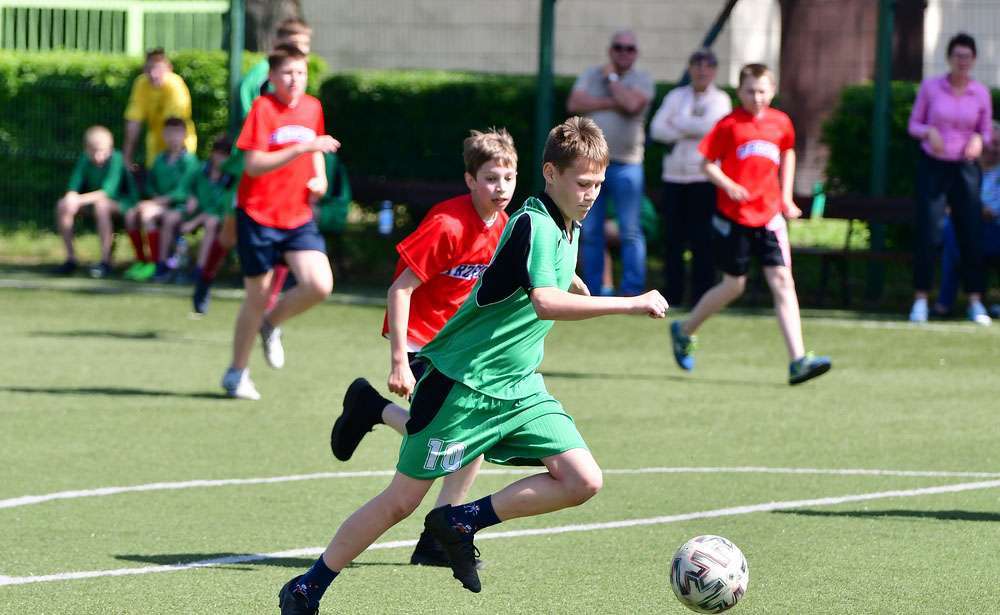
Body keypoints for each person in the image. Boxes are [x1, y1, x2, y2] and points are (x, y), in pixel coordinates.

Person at [276, 117, 669, 614]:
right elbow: (544, 303)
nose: (591, 195)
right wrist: (630, 302)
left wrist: (570, 278)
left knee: (582, 479)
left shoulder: (566, 224)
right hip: (461, 384)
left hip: (519, 388)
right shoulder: (532, 222)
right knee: (401, 501)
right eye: (583, 184)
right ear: (551, 173)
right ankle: (307, 587)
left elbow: (538, 277)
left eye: (598, 185)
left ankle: (462, 520)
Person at [328, 128, 517, 568]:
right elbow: (399, 289)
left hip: (459, 349)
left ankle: (371, 409)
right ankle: (439, 535)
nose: (500, 187)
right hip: (422, 343)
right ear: (470, 180)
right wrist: (399, 361)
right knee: (453, 435)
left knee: (464, 434)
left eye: (508, 178)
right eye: (491, 178)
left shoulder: (504, 226)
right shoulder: (448, 225)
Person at [668, 63, 831, 386]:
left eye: (762, 91)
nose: (756, 97)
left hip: (769, 217)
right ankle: (684, 330)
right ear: (739, 91)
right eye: (750, 91)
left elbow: (788, 153)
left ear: (772, 91)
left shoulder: (780, 122)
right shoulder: (729, 124)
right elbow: (707, 164)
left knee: (782, 281)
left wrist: (785, 197)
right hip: (735, 217)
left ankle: (798, 361)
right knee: (734, 286)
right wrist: (728, 185)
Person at [220, 44, 339, 401]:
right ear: (271, 77)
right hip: (258, 216)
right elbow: (254, 165)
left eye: (301, 73)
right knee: (256, 297)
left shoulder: (313, 107)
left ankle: (271, 324)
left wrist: (320, 179)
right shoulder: (263, 109)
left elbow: (316, 150)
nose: (295, 79)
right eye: (287, 73)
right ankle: (236, 374)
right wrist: (300, 149)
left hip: (297, 216)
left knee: (319, 284)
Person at [202, 19, 315, 315]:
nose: (302, 50)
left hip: (288, 175)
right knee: (229, 232)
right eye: (296, 44)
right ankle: (205, 278)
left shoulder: (301, 79)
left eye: (305, 45)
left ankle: (270, 306)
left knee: (287, 236)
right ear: (279, 45)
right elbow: (253, 119)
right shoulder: (261, 80)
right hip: (253, 170)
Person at [907, 32, 993, 325]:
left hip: (965, 168)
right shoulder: (931, 88)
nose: (962, 61)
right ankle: (920, 299)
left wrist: (979, 139)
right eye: (957, 55)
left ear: (974, 59)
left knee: (970, 232)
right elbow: (914, 124)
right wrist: (928, 132)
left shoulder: (980, 93)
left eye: (967, 56)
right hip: (934, 166)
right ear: (949, 58)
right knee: (929, 232)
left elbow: (986, 130)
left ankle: (975, 301)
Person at [567, 29, 654, 296]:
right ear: (610, 50)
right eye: (618, 47)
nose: (623, 52)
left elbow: (632, 105)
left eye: (629, 48)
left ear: (636, 53)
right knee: (590, 230)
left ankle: (632, 291)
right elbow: (574, 103)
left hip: (628, 165)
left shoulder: (642, 79)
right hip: (591, 164)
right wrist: (613, 102)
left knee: (630, 230)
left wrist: (612, 80)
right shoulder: (591, 74)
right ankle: (592, 291)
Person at [649, 48, 732, 307]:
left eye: (708, 66)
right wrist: (692, 129)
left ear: (714, 71)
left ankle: (701, 297)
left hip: (704, 180)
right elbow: (657, 129)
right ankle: (672, 296)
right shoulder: (676, 96)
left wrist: (679, 123)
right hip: (674, 179)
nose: (702, 71)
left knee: (702, 241)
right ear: (690, 68)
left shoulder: (721, 99)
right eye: (697, 65)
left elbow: (713, 127)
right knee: (673, 239)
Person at [935, 122, 1000, 320]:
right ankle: (974, 302)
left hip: (995, 232)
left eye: (998, 144)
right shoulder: (965, 170)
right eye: (989, 144)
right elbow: (947, 205)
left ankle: (946, 304)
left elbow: (991, 213)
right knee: (954, 233)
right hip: (968, 229)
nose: (992, 149)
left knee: (955, 238)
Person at [122, 117, 199, 282]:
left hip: (181, 208)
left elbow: (182, 192)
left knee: (152, 215)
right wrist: (154, 198)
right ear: (164, 135)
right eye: (169, 133)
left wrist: (157, 202)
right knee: (131, 215)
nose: (173, 137)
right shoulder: (159, 159)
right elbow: (150, 185)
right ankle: (142, 261)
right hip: (159, 205)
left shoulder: (190, 160)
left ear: (185, 135)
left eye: (177, 133)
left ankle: (159, 263)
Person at [54, 125, 132, 279]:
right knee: (63, 205)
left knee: (101, 206)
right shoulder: (85, 159)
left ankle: (105, 261)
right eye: (93, 151)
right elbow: (73, 186)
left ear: (110, 148)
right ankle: (70, 259)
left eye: (102, 151)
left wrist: (78, 199)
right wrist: (70, 198)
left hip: (123, 204)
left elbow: (107, 192)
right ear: (87, 149)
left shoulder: (117, 159)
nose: (98, 156)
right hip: (93, 203)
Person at [182, 134, 237, 314]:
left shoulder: (232, 173)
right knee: (219, 233)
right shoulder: (202, 171)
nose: (220, 158)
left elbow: (219, 206)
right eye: (218, 153)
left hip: (222, 216)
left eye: (225, 155)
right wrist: (190, 198)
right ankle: (202, 275)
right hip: (223, 216)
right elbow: (185, 189)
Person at [122, 48, 197, 173]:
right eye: (149, 69)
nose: (153, 74)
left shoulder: (175, 85)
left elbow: (174, 126)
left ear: (169, 68)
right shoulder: (141, 84)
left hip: (180, 142)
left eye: (158, 69)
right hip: (155, 142)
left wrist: (171, 159)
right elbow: (133, 123)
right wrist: (127, 159)